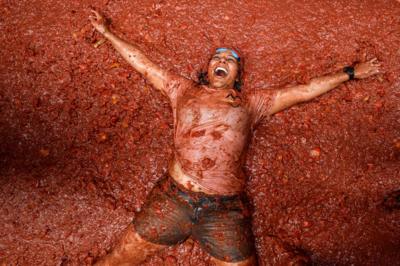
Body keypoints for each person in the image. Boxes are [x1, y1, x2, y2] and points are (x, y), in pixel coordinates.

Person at [89, 10, 381, 266]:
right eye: (217, 57)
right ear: (207, 70)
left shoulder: (253, 103)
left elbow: (304, 90)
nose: (222, 60)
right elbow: (142, 64)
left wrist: (351, 72)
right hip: (173, 200)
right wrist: (106, 32)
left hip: (224, 211)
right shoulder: (181, 89)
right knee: (115, 261)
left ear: (237, 75)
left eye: (230, 60)